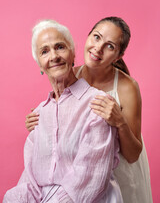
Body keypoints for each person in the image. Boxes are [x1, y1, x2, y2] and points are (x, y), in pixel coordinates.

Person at [25, 17, 153, 203]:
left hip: (119, 172)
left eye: (110, 46)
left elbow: (133, 154)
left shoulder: (127, 87)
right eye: (96, 37)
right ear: (87, 37)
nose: (98, 48)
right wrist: (39, 124)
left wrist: (120, 122)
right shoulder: (70, 73)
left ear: (118, 56)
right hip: (82, 177)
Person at [3, 20, 123, 203]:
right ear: (39, 64)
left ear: (73, 53)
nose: (53, 56)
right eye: (44, 51)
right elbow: (30, 180)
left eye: (60, 47)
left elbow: (89, 178)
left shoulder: (98, 103)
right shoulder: (39, 114)